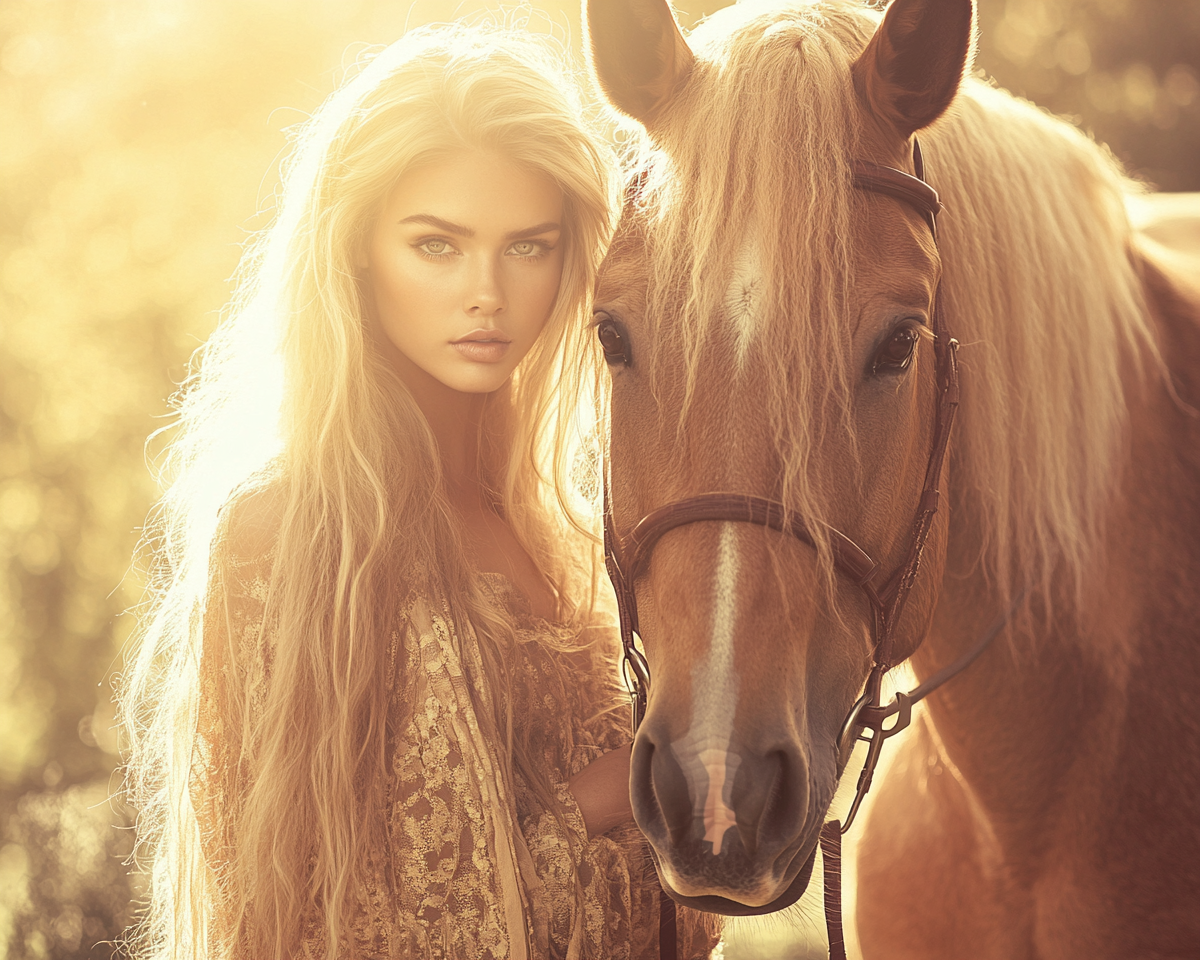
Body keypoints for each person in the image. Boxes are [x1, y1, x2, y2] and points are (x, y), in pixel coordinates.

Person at [119, 25, 719, 960]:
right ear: (356, 248)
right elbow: (337, 921)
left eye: (528, 246)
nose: (486, 292)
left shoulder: (570, 533)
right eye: (437, 245)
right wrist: (616, 792)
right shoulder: (290, 535)